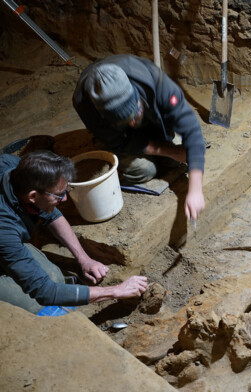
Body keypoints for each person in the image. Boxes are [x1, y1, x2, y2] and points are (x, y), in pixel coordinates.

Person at [0, 150, 148, 315]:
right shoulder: (4, 229)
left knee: (55, 276)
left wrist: (84, 259)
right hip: (4, 241)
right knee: (35, 304)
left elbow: (51, 214)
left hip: (7, 242)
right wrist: (115, 291)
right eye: (58, 195)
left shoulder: (14, 167)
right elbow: (45, 292)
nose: (64, 199)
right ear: (33, 196)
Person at [73, 54, 206, 221]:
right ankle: (117, 167)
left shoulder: (156, 84)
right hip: (118, 135)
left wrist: (195, 190)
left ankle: (151, 134)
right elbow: (121, 141)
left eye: (134, 115)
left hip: (148, 107)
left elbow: (191, 128)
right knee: (145, 170)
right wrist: (170, 151)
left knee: (179, 156)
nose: (132, 123)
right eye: (125, 121)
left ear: (138, 100)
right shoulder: (84, 104)